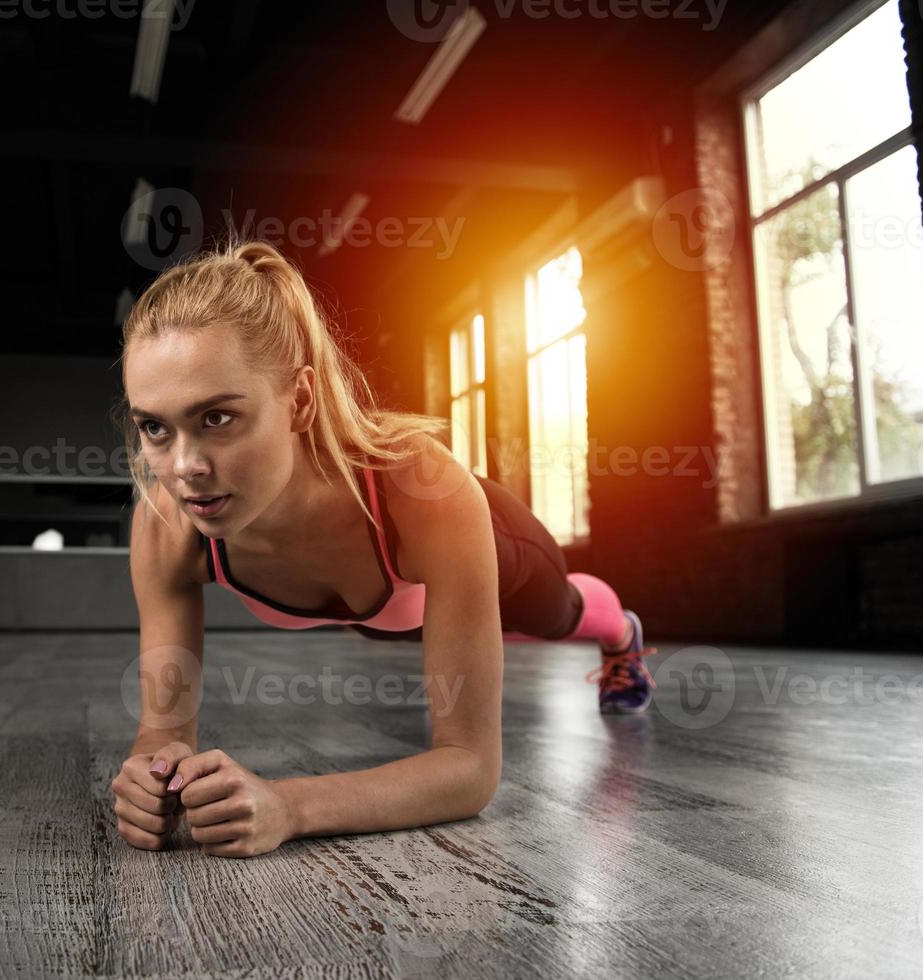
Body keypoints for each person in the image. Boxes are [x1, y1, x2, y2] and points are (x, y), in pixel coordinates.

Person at [109, 237, 657, 858]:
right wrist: (149, 780)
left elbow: (469, 769)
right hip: (391, 616)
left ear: (302, 400)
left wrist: (290, 805)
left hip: (498, 552)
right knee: (443, 631)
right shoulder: (165, 525)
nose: (184, 468)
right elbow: (160, 731)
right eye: (155, 427)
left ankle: (622, 635)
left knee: (559, 617)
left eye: (217, 418)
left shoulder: (424, 492)